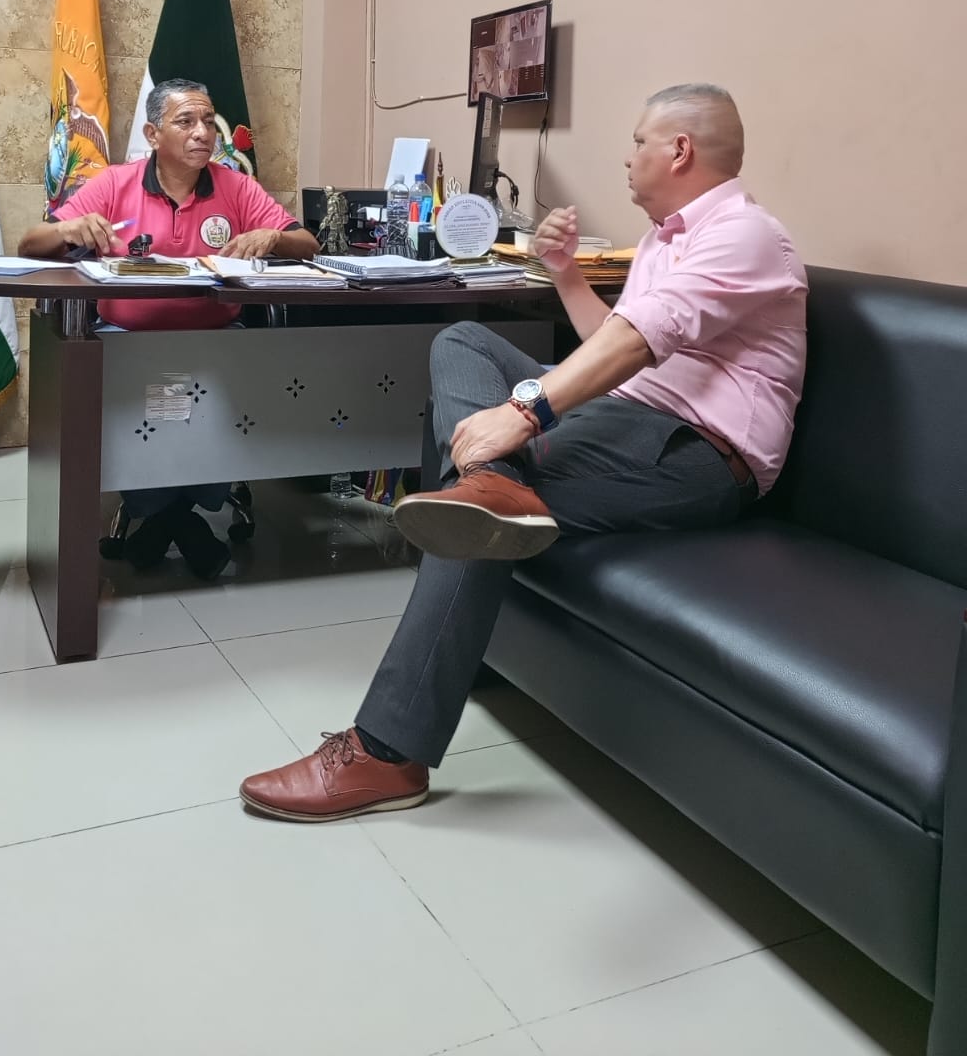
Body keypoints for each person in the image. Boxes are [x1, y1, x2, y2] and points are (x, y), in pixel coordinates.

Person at [240, 83, 807, 820]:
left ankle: (388, 753)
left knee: (479, 498)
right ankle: (489, 490)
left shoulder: (744, 233)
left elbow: (638, 342)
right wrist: (566, 272)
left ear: (679, 150)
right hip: (630, 417)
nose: (627, 157)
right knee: (465, 341)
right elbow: (617, 341)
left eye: (639, 141)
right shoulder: (667, 238)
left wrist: (526, 412)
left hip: (697, 453)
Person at [19, 77, 318, 578]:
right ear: (153, 134)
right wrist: (67, 228)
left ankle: (162, 519)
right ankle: (178, 518)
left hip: (217, 342)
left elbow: (308, 243)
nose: (203, 132)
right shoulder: (116, 183)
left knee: (209, 402)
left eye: (208, 121)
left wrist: (272, 237)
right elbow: (29, 244)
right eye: (186, 121)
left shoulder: (234, 185)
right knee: (155, 399)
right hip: (129, 343)